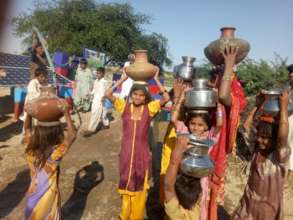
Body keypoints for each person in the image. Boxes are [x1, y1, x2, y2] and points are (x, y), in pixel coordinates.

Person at [105, 67, 170, 220]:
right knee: (126, 182)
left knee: (139, 184)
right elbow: (107, 94)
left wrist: (156, 78)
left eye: (141, 95)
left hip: (142, 153)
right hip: (126, 152)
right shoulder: (124, 107)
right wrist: (122, 80)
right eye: (135, 94)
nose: (138, 97)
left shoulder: (150, 108)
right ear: (131, 94)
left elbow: (166, 98)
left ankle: (136, 216)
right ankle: (124, 215)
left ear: (145, 97)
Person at [232, 91, 290, 220]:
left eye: (265, 138)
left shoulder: (279, 156)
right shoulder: (257, 150)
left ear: (275, 140)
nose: (260, 140)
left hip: (267, 209)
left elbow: (282, 136)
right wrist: (257, 106)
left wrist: (284, 108)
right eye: (259, 136)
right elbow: (246, 126)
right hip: (248, 202)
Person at [171, 85, 223, 220]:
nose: (195, 127)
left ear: (206, 126)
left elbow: (219, 124)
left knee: (199, 207)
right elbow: (173, 119)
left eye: (200, 125)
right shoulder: (184, 132)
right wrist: (182, 98)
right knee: (180, 204)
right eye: (193, 123)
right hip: (183, 176)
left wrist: (218, 103)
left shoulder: (209, 136)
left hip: (201, 179)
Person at [24, 100, 77, 220]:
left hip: (32, 200)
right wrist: (66, 112)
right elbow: (72, 135)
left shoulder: (30, 150)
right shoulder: (54, 155)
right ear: (56, 135)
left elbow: (27, 129)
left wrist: (28, 114)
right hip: (48, 201)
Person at [164, 135, 201, 220]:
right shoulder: (196, 210)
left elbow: (168, 187)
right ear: (199, 196)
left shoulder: (176, 214)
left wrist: (178, 149)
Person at [82, 67, 109, 137]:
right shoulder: (96, 81)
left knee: (95, 114)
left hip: (101, 100)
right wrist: (90, 93)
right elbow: (94, 90)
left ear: (103, 74)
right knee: (102, 114)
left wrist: (104, 97)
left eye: (99, 73)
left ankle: (91, 130)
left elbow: (108, 91)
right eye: (97, 73)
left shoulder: (105, 82)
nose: (97, 74)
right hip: (95, 100)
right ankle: (106, 125)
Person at [285, 64, 293, 177]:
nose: (291, 75)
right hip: (287, 117)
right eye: (290, 74)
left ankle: (289, 172)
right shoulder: (289, 88)